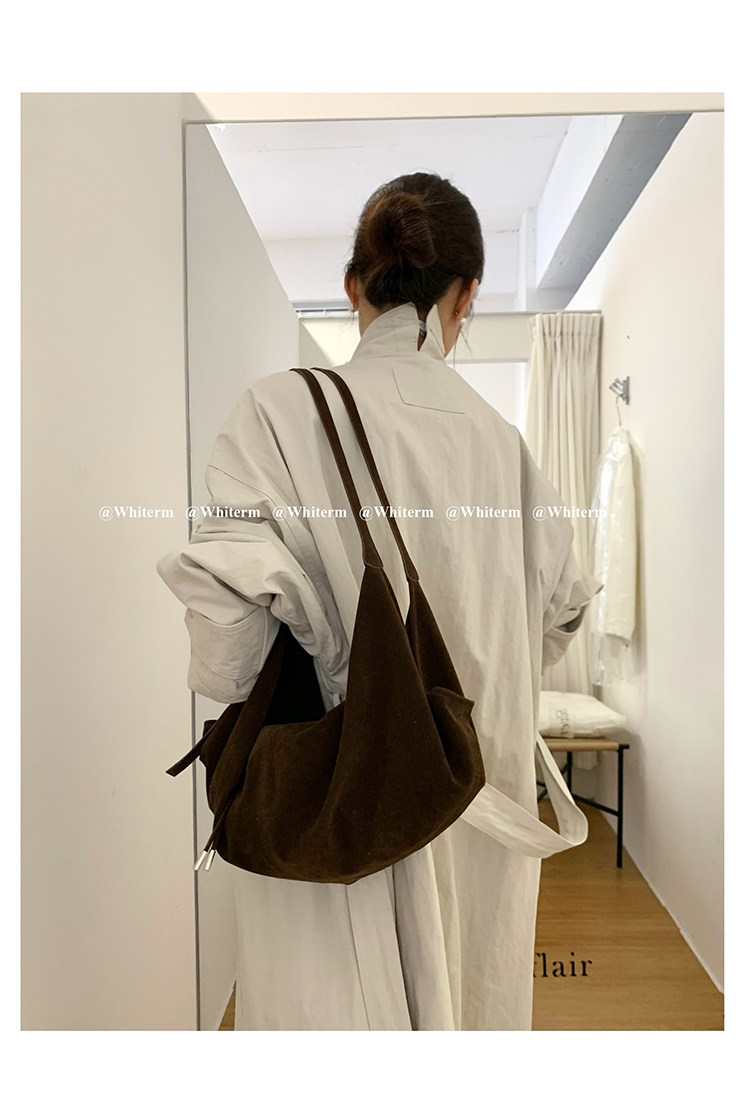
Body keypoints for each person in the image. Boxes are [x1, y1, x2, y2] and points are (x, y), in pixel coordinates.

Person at [157, 172, 600, 1031]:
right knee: (473, 1002)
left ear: (354, 284)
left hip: (338, 817)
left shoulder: (277, 413)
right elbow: (560, 616)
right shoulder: (506, 447)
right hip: (478, 807)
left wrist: (325, 643)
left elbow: (227, 658)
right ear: (465, 296)